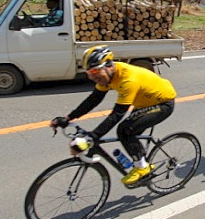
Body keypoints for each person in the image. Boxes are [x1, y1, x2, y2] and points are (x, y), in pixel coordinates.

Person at [50, 45, 176, 185]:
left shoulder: (128, 80)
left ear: (109, 66)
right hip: (145, 103)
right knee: (129, 132)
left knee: (125, 130)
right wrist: (68, 118)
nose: (93, 77)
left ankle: (142, 167)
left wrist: (92, 137)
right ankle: (141, 161)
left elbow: (116, 114)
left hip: (163, 103)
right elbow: (93, 100)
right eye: (89, 73)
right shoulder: (107, 77)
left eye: (95, 72)